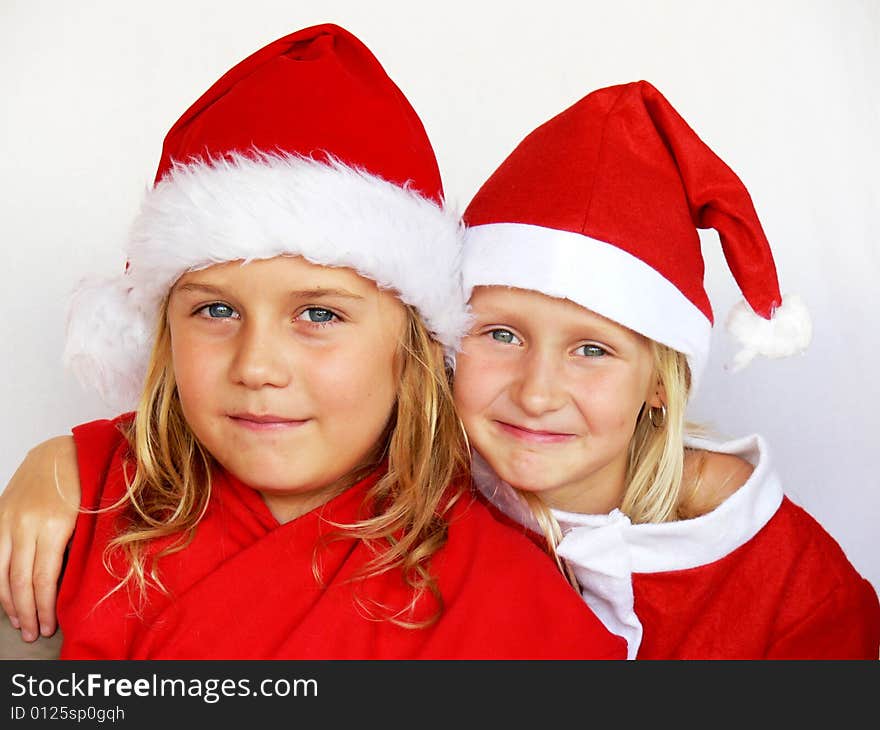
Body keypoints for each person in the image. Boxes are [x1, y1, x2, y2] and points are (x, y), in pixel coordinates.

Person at [0, 24, 625, 660]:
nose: (257, 366)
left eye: (319, 316)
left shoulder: (509, 600)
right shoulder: (74, 517)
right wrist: (60, 467)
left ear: (413, 346)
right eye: (216, 309)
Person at [451, 80, 880, 659]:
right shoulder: (396, 523)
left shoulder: (794, 587)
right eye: (501, 334)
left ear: (659, 382)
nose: (536, 393)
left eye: (592, 350)